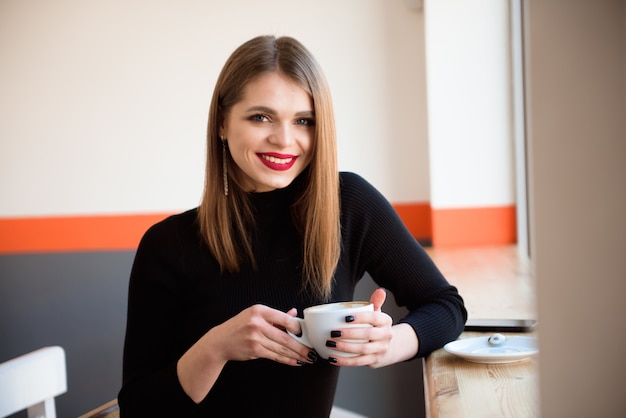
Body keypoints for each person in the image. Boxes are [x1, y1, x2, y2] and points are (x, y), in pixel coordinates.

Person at [118, 35, 466, 417]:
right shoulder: (167, 245)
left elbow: (445, 307)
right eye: (261, 117)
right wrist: (215, 347)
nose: (284, 140)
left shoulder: (347, 204)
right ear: (221, 122)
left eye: (303, 121)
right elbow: (138, 408)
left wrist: (386, 343)